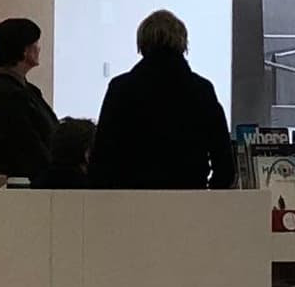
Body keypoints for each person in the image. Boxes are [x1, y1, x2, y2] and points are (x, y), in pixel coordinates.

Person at [86, 10, 239, 189]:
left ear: (142, 44)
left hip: (132, 197)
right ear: (183, 44)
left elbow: (101, 158)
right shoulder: (201, 90)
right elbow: (224, 164)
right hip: (189, 195)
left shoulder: (121, 88)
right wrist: (208, 195)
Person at [0, 15, 58, 180]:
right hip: (26, 183)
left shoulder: (25, 90)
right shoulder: (7, 96)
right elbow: (30, 149)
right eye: (35, 43)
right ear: (25, 50)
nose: (39, 48)